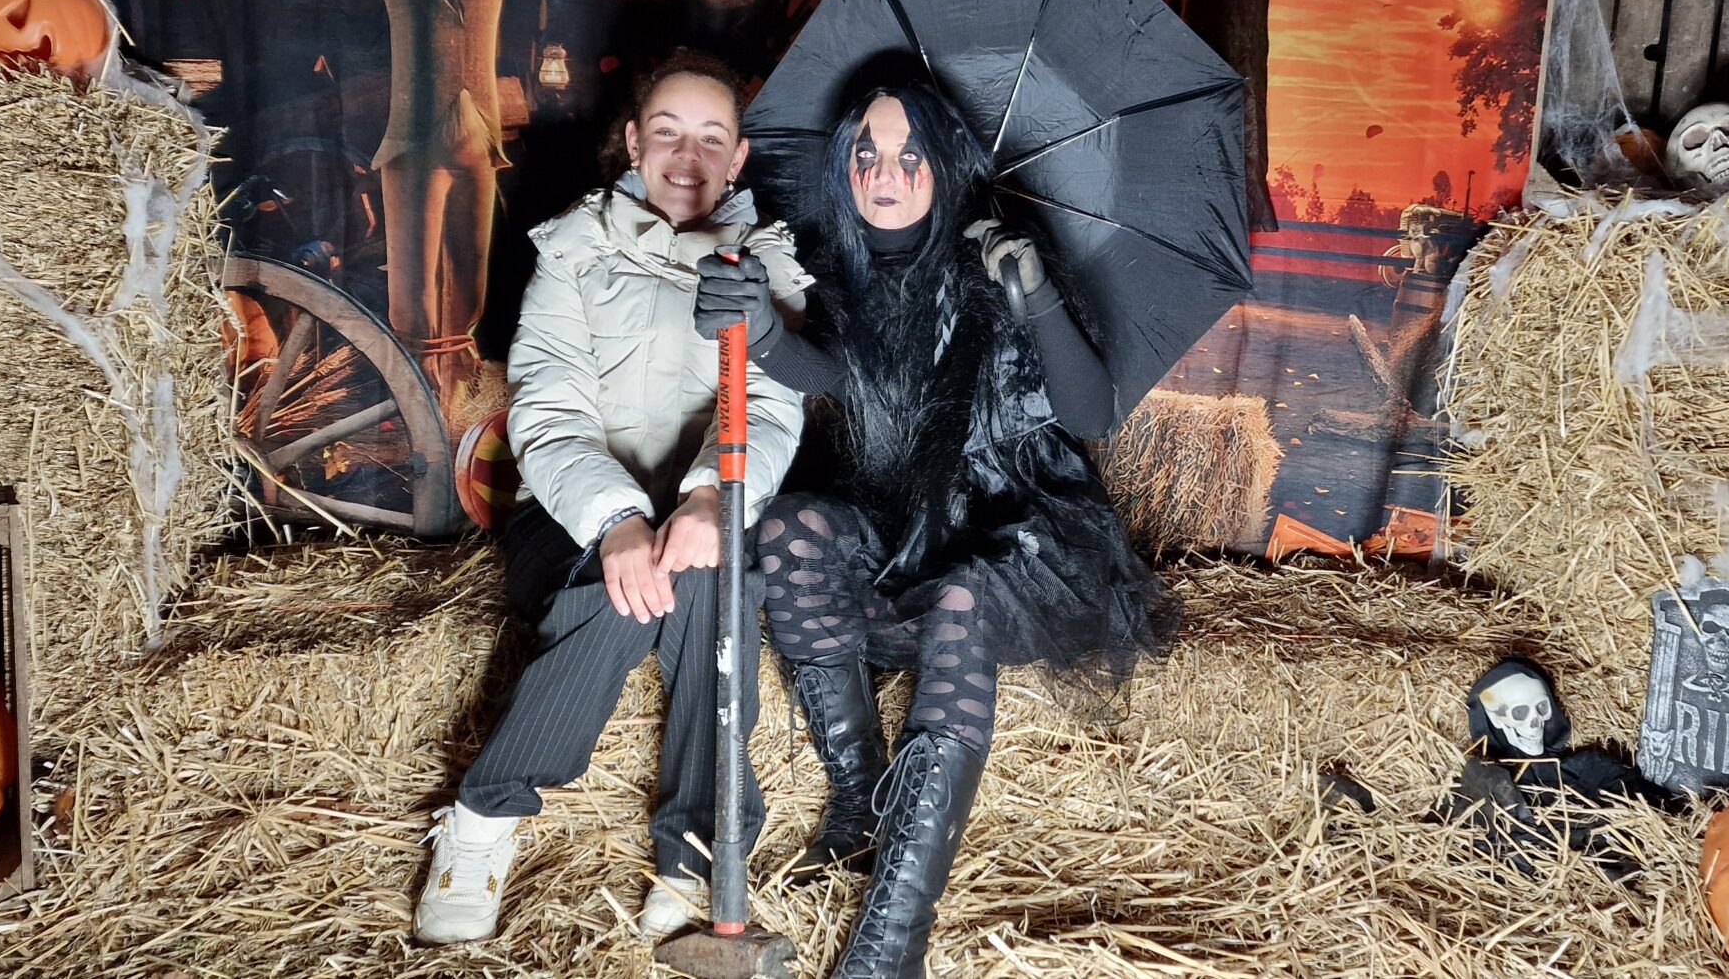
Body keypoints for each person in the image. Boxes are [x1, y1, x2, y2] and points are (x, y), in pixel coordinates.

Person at [693, 83, 1176, 977]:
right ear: (844, 168)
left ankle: (892, 943)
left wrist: (1034, 296)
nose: (886, 174)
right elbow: (830, 372)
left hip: (1020, 538)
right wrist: (757, 329)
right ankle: (857, 801)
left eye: (910, 155)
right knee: (791, 528)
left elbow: (1090, 414)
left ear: (945, 165)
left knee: (961, 594)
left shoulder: (1002, 256)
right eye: (867, 154)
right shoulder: (846, 269)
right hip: (908, 529)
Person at [413, 53, 809, 945]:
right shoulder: (572, 251)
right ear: (633, 142)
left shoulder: (767, 265)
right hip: (570, 518)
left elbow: (770, 409)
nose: (687, 156)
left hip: (701, 512)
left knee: (708, 581)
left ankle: (696, 852)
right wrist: (620, 521)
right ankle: (483, 818)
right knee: (637, 590)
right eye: (667, 132)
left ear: (738, 157)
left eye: (711, 137)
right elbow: (551, 413)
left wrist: (711, 499)